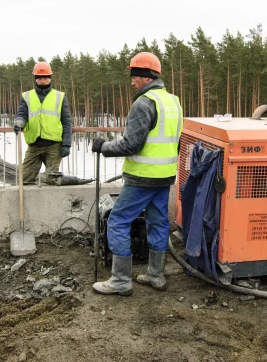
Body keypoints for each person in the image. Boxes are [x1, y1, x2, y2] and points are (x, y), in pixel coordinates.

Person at [91, 52, 183, 296]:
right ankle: (156, 275)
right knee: (158, 222)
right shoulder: (173, 102)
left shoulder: (144, 103)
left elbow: (131, 145)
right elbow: (177, 142)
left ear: (145, 77)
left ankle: (120, 281)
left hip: (142, 177)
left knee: (118, 221)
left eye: (134, 76)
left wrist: (103, 147)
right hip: (164, 177)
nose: (131, 81)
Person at [14, 62, 72, 185]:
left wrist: (66, 144)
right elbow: (22, 113)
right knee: (24, 179)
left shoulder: (59, 96)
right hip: (34, 144)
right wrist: (19, 122)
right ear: (35, 78)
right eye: (39, 77)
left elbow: (66, 122)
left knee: (52, 180)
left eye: (45, 77)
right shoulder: (27, 96)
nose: (42, 80)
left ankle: (56, 199)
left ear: (50, 77)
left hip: (54, 145)